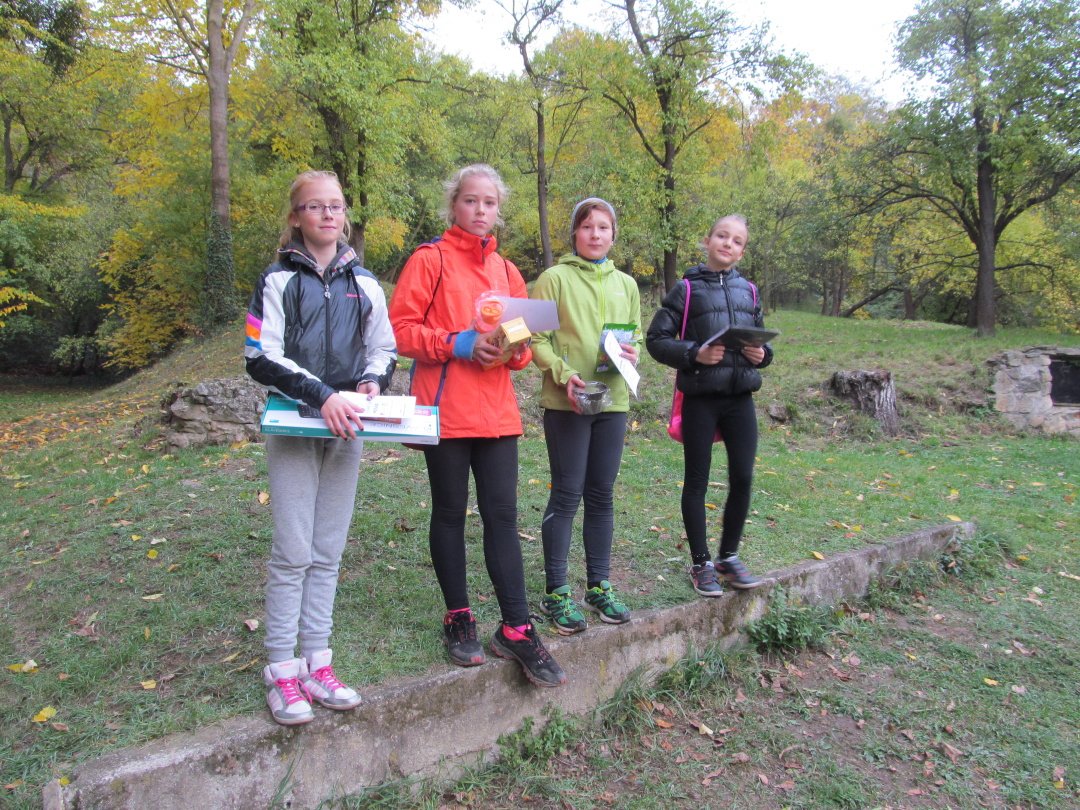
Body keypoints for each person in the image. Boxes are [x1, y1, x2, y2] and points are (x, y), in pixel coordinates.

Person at [388, 163, 567, 687]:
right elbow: (400, 331)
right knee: (449, 512)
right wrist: (460, 343)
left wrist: (511, 352)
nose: (480, 209)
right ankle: (458, 616)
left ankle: (516, 627)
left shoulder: (507, 271)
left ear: (498, 209)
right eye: (470, 200)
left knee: (503, 517)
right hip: (444, 410)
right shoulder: (429, 259)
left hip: (496, 414)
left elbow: (522, 343)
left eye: (489, 202)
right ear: (454, 205)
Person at [245, 170, 397, 725]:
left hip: (347, 428)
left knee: (327, 550)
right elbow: (259, 355)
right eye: (315, 206)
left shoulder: (366, 283)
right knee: (293, 550)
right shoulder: (275, 279)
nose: (328, 214)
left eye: (336, 206)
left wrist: (372, 382)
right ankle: (281, 670)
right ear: (296, 217)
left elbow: (384, 348)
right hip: (295, 424)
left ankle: (317, 662)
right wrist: (322, 395)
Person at [645, 214, 773, 597]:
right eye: (722, 236)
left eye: (736, 241)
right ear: (708, 240)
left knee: (743, 478)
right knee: (697, 481)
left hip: (740, 399)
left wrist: (762, 354)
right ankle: (701, 563)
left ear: (742, 251)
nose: (728, 244)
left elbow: (763, 343)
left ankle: (728, 557)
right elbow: (656, 340)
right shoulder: (686, 289)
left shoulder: (749, 291)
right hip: (700, 399)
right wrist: (694, 354)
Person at [529, 198, 641, 634]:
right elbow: (535, 339)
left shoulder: (627, 284)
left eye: (604, 227)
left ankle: (599, 585)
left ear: (614, 234)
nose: (596, 234)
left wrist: (632, 353)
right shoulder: (553, 279)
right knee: (566, 494)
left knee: (601, 494)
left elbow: (634, 337)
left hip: (613, 402)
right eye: (587, 226)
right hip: (568, 402)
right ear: (574, 232)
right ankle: (557, 591)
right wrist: (564, 375)